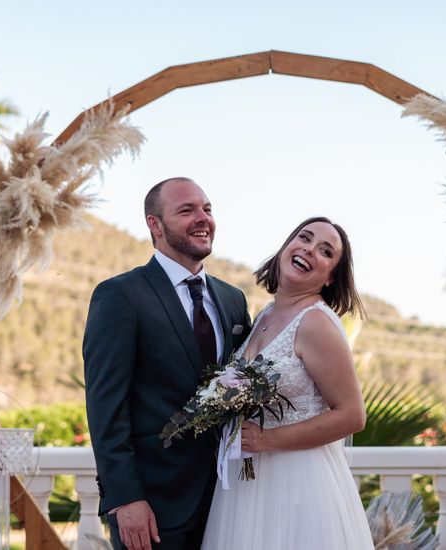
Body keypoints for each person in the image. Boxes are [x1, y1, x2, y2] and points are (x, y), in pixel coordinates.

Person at [83, 177, 252, 550]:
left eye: (207, 209)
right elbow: (105, 408)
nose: (202, 218)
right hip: (152, 506)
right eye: (186, 210)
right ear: (155, 224)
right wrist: (125, 497)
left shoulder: (232, 299)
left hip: (228, 501)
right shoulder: (120, 295)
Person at [200, 216, 375, 549]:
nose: (309, 249)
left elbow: (353, 415)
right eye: (304, 238)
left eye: (325, 251)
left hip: (299, 485)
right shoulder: (265, 315)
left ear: (331, 275)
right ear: (286, 247)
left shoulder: (315, 323)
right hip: (248, 484)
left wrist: (267, 440)